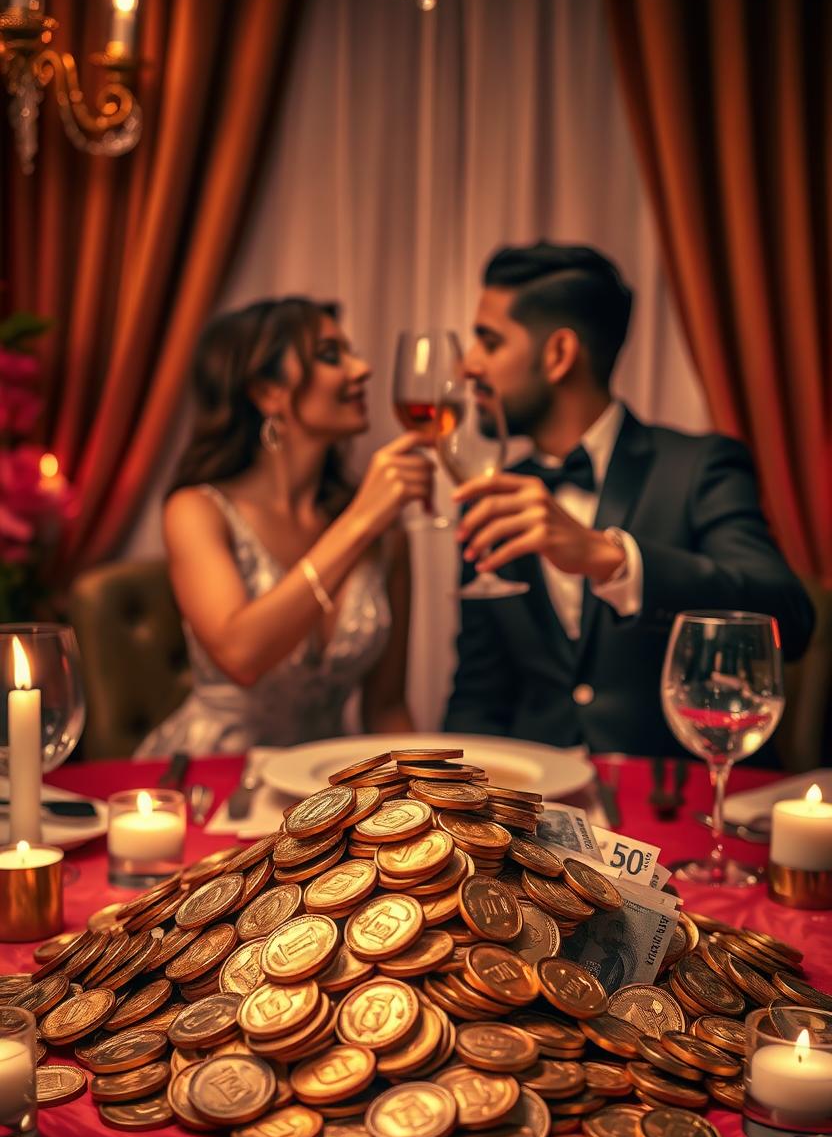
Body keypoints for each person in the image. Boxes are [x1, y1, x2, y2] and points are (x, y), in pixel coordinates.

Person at [444, 241, 815, 756]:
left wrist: (613, 561)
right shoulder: (492, 497)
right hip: (532, 814)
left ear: (558, 355)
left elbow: (788, 619)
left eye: (489, 342)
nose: (468, 366)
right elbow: (478, 697)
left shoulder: (700, 466)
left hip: (672, 808)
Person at [135, 297, 431, 756]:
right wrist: (359, 522)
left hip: (327, 785)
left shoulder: (387, 534)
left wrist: (432, 798)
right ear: (267, 392)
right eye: (331, 356)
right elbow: (241, 656)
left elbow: (386, 707)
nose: (362, 369)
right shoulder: (197, 510)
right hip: (214, 775)